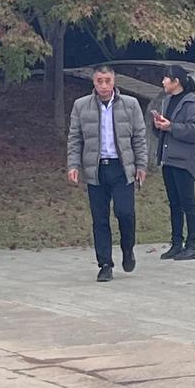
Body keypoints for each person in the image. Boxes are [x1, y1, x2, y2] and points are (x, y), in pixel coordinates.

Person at [67, 64, 148, 282]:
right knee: (100, 219)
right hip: (96, 168)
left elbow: (139, 137)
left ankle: (127, 248)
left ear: (114, 82)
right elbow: (75, 138)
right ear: (93, 82)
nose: (103, 85)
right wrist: (73, 165)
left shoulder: (130, 105)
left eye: (107, 81)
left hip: (122, 168)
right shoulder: (81, 106)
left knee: (125, 213)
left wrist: (141, 166)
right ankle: (104, 263)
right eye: (99, 81)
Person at [149, 64, 195, 260]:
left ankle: (192, 245)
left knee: (188, 202)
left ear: (176, 82)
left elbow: (194, 131)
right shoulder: (168, 101)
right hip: (169, 158)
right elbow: (165, 131)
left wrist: (171, 127)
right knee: (174, 203)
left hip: (185, 160)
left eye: (166, 78)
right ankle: (176, 243)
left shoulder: (193, 103)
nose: (163, 82)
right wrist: (158, 125)